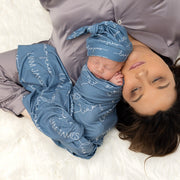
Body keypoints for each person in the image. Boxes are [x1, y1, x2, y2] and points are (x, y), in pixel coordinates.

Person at [0, 0, 180, 157]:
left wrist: (41, 115)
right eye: (158, 80)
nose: (142, 75)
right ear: (173, 73)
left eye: (135, 91)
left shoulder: (69, 67)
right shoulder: (173, 21)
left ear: (123, 98)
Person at [14, 21, 132, 158]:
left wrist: (113, 86)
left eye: (108, 67)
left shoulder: (117, 79)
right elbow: (83, 89)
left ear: (120, 67)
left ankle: (81, 137)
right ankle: (75, 137)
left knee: (95, 123)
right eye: (95, 62)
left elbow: (109, 101)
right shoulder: (87, 71)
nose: (99, 68)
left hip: (99, 113)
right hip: (77, 104)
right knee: (51, 109)